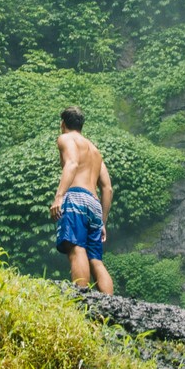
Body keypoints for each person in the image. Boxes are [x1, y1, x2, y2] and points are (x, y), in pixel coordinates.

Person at [50, 105, 114, 294]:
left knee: (76, 248)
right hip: (94, 204)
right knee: (95, 259)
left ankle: (81, 300)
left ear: (63, 124)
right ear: (81, 125)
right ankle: (113, 305)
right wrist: (102, 221)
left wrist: (59, 196)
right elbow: (107, 188)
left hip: (76, 197)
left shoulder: (65, 138)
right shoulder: (95, 151)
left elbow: (72, 163)